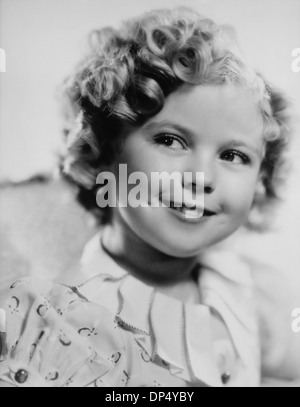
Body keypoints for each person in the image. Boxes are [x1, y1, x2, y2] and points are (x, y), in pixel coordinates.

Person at [0, 7, 291, 387]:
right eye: (171, 140)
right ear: (104, 154)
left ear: (260, 183)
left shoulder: (245, 286)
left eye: (233, 155)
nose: (202, 178)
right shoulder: (70, 319)